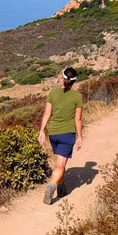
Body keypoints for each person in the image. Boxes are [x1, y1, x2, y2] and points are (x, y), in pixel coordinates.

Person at [38, 67, 83, 205]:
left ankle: (61, 187)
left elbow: (46, 114)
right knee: (60, 164)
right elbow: (78, 119)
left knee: (59, 162)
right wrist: (80, 137)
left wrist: (41, 131)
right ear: (74, 81)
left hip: (53, 133)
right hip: (67, 134)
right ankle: (52, 186)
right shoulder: (77, 96)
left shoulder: (53, 93)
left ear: (63, 78)